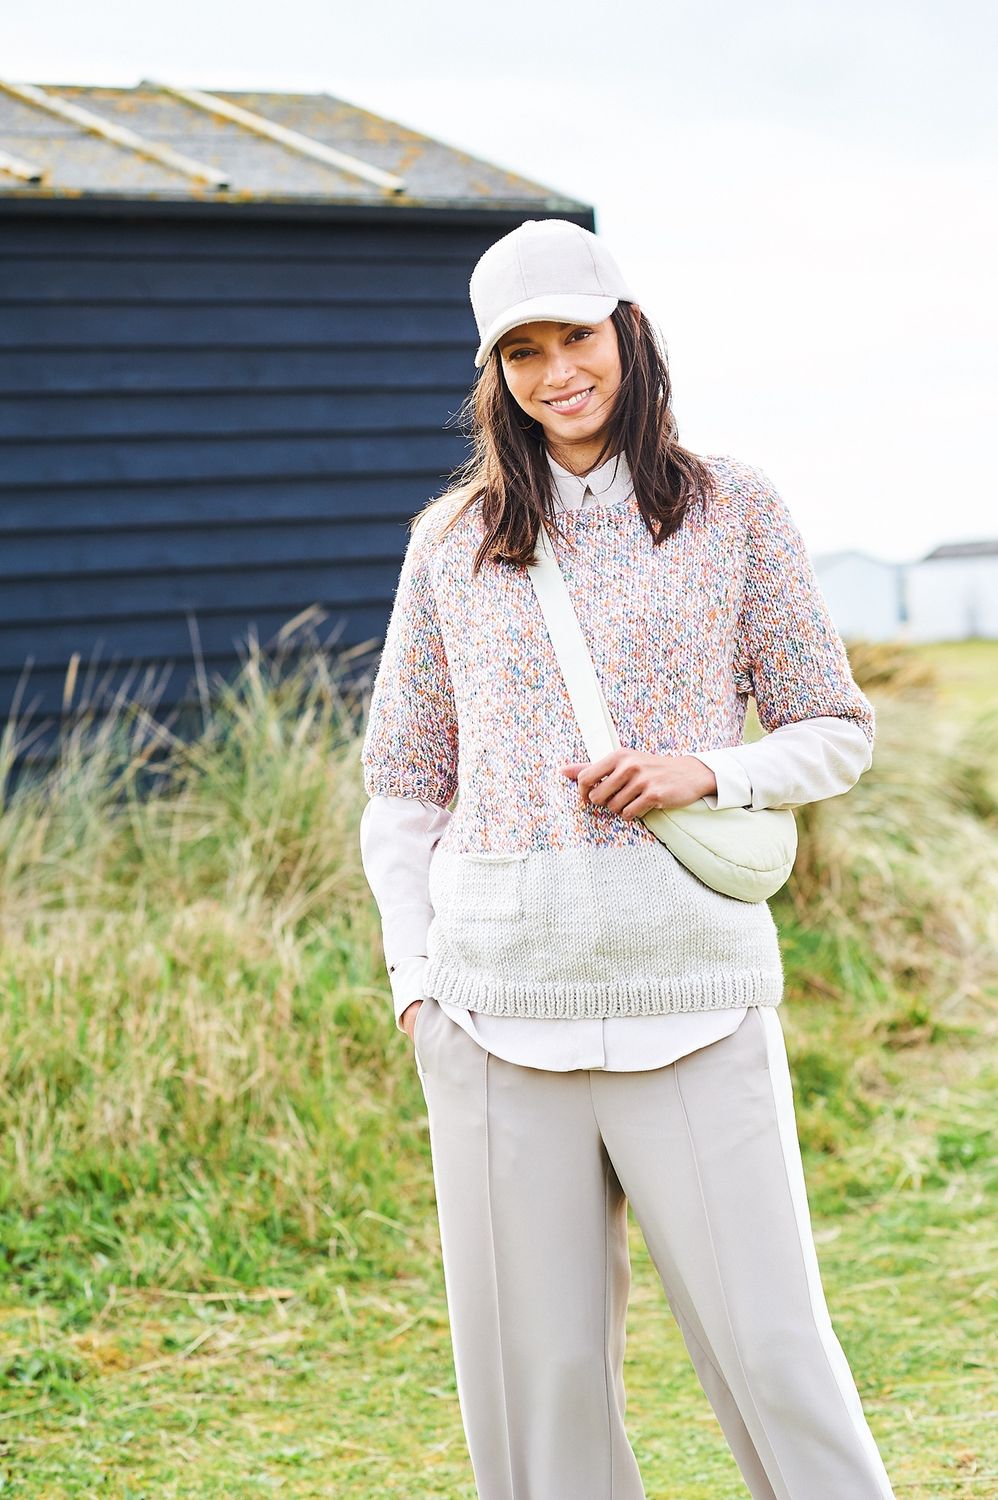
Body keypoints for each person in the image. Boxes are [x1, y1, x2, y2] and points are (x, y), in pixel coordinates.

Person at [359, 218, 896, 1500]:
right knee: (534, 1386)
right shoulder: (448, 543)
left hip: (692, 993)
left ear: (628, 334)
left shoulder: (734, 509)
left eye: (576, 338)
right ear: (495, 373)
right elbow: (401, 782)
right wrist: (414, 983)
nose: (558, 374)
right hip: (494, 1012)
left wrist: (710, 770)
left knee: (772, 1353)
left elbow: (835, 729)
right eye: (524, 353)